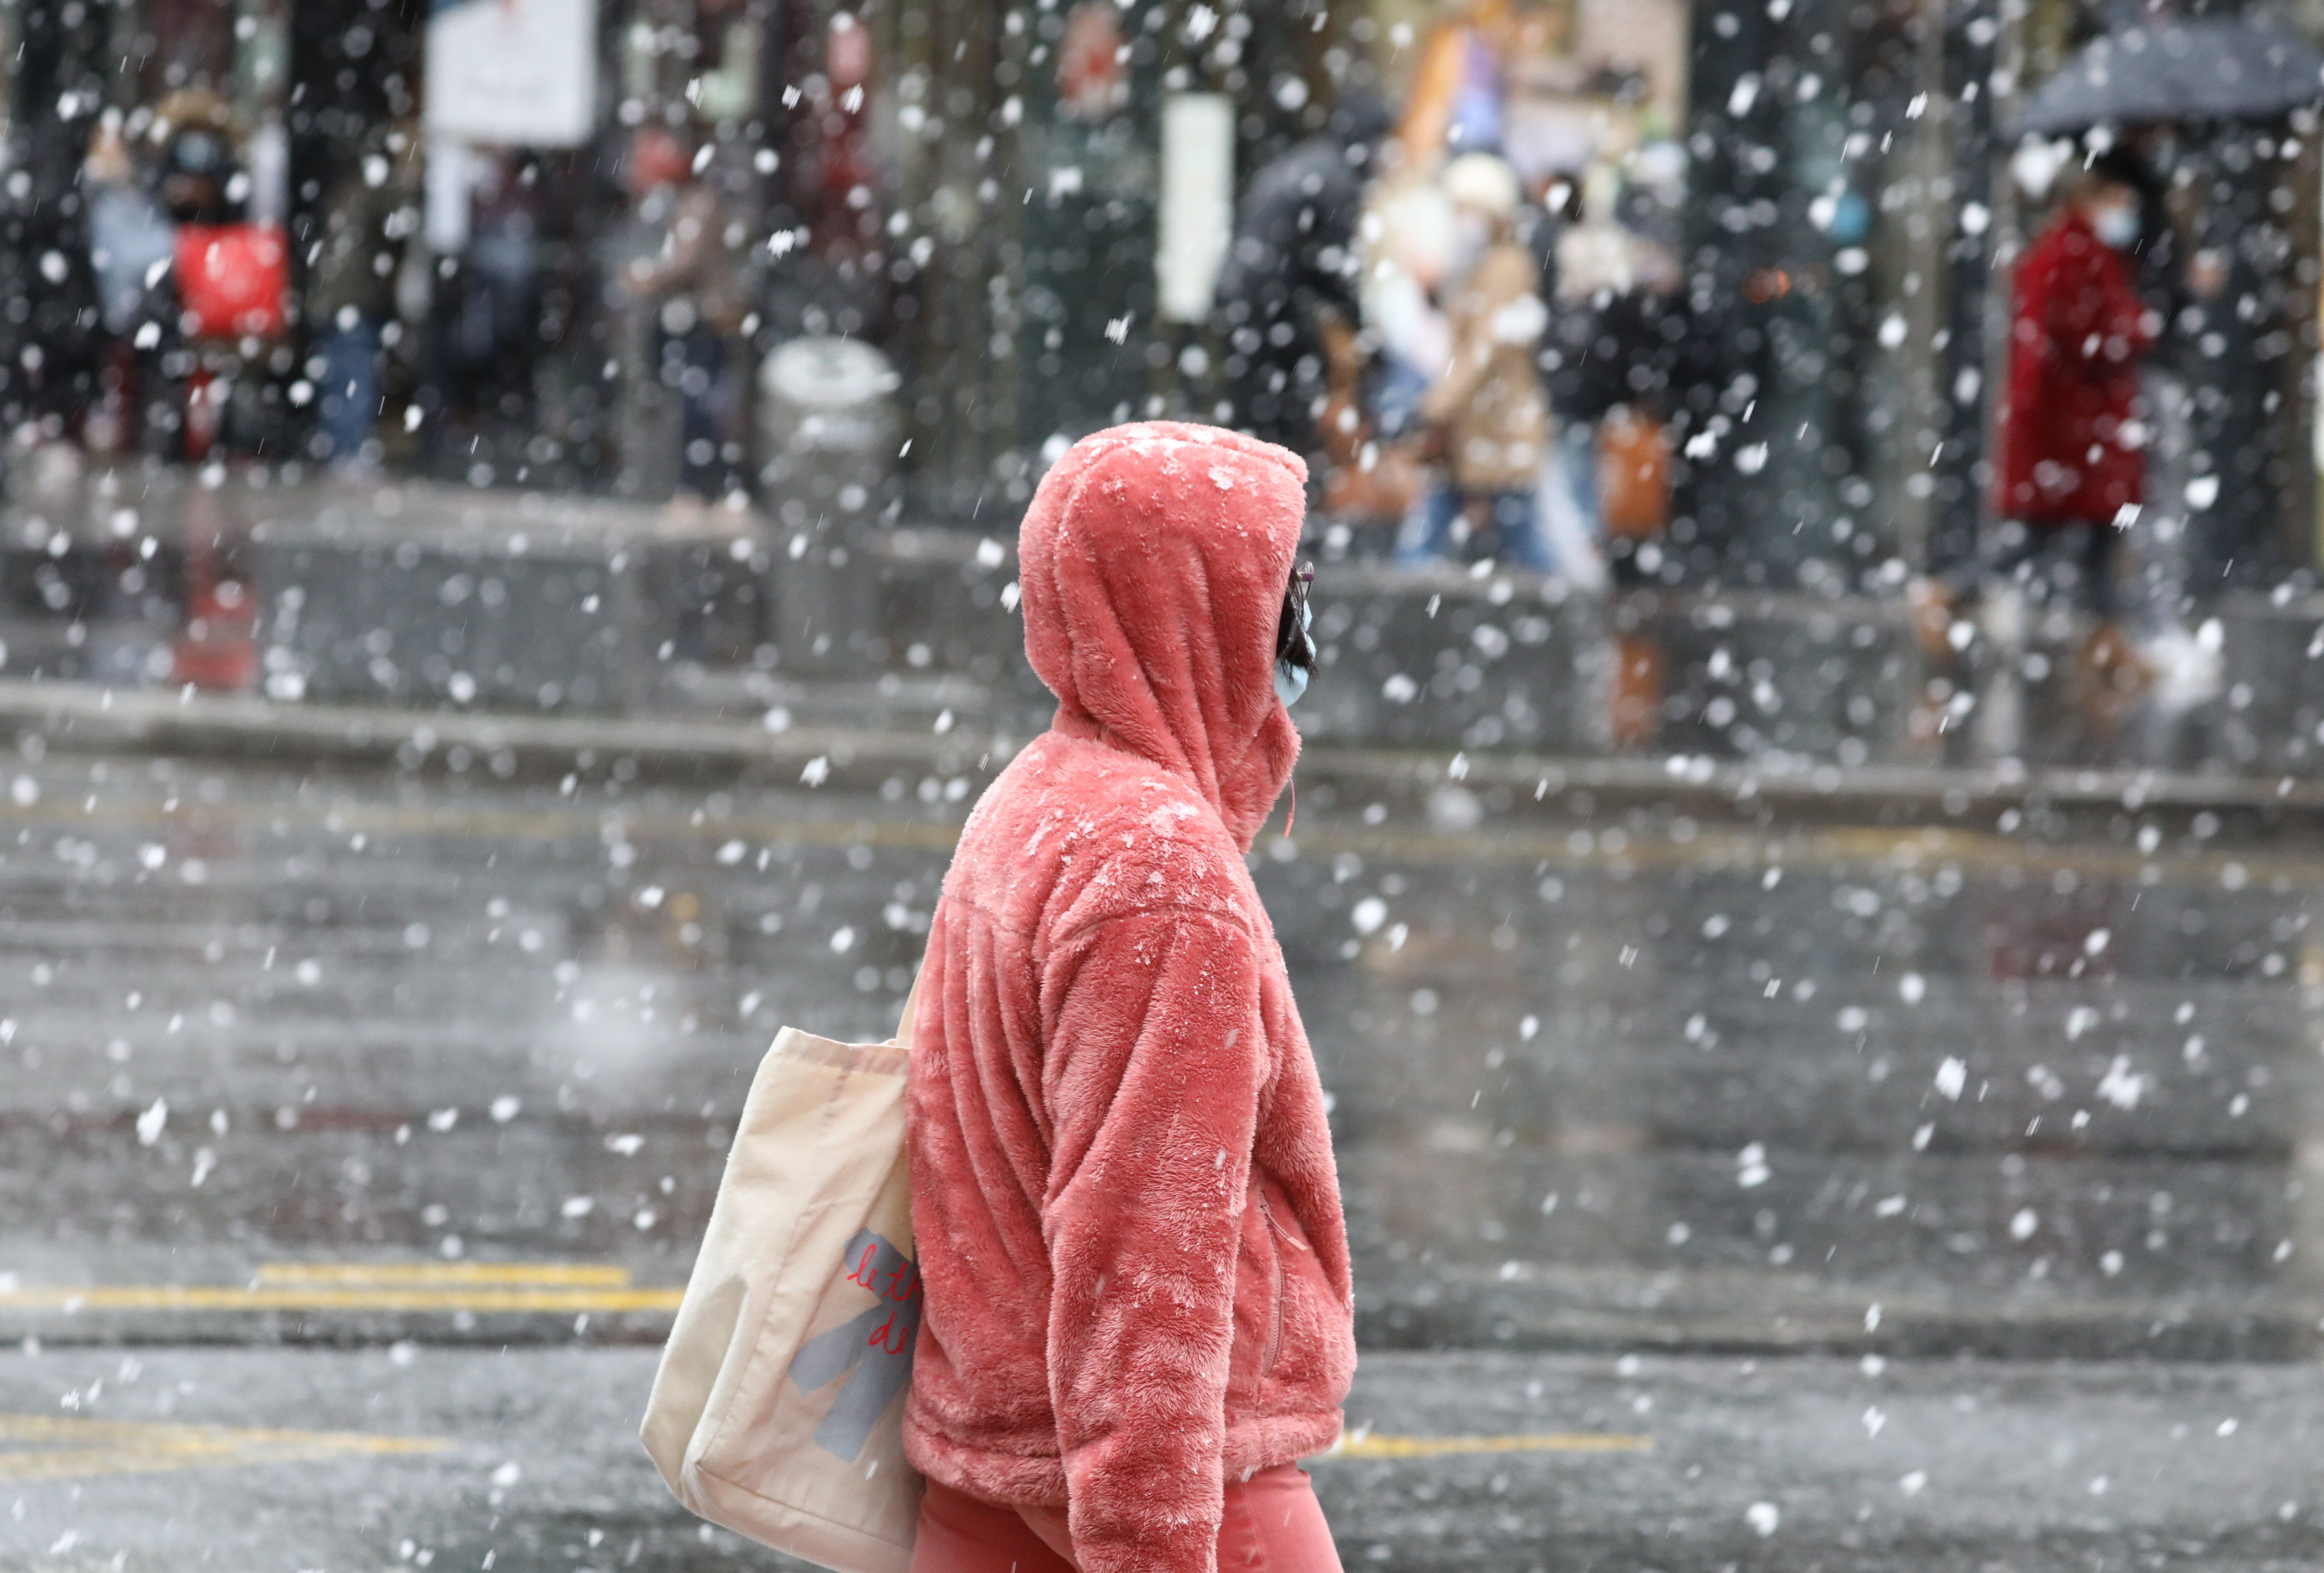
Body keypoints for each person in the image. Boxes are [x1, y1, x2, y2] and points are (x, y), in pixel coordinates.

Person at [903, 422, 1354, 1573]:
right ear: (1200, 603)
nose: (1301, 617)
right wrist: (1152, 1543)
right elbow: (1142, 1264)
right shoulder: (1160, 872)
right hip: (1183, 1497)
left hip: (987, 1482)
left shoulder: (1039, 797)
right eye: (1282, 583)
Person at [1918, 150, 2158, 704]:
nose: (2123, 211)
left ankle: (2105, 640)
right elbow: (2084, 335)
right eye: (2115, 200)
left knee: (2085, 539)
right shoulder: (2072, 256)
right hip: (2072, 432)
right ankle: (1948, 590)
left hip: (2075, 431)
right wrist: (2135, 328)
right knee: (2045, 538)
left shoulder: (2072, 253)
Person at [1395, 152, 1553, 571]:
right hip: (1474, 433)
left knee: (1525, 543)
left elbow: (1481, 353)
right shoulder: (1477, 266)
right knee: (1436, 533)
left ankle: (1573, 622)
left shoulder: (1506, 267)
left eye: (1473, 210)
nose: (1465, 220)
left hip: (1496, 429)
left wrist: (1436, 405)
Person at [1213, 92, 1393, 458]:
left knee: (1249, 423)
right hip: (1271, 309)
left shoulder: (1304, 163)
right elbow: (1335, 271)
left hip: (1244, 301)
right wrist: (1367, 338)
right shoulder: (1338, 179)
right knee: (1279, 430)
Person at [625, 131, 753, 511]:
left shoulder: (696, 205)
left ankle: (700, 490)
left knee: (702, 407)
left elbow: (685, 263)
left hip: (704, 321)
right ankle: (711, 489)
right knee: (706, 404)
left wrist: (648, 278)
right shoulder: (698, 204)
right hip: (706, 318)